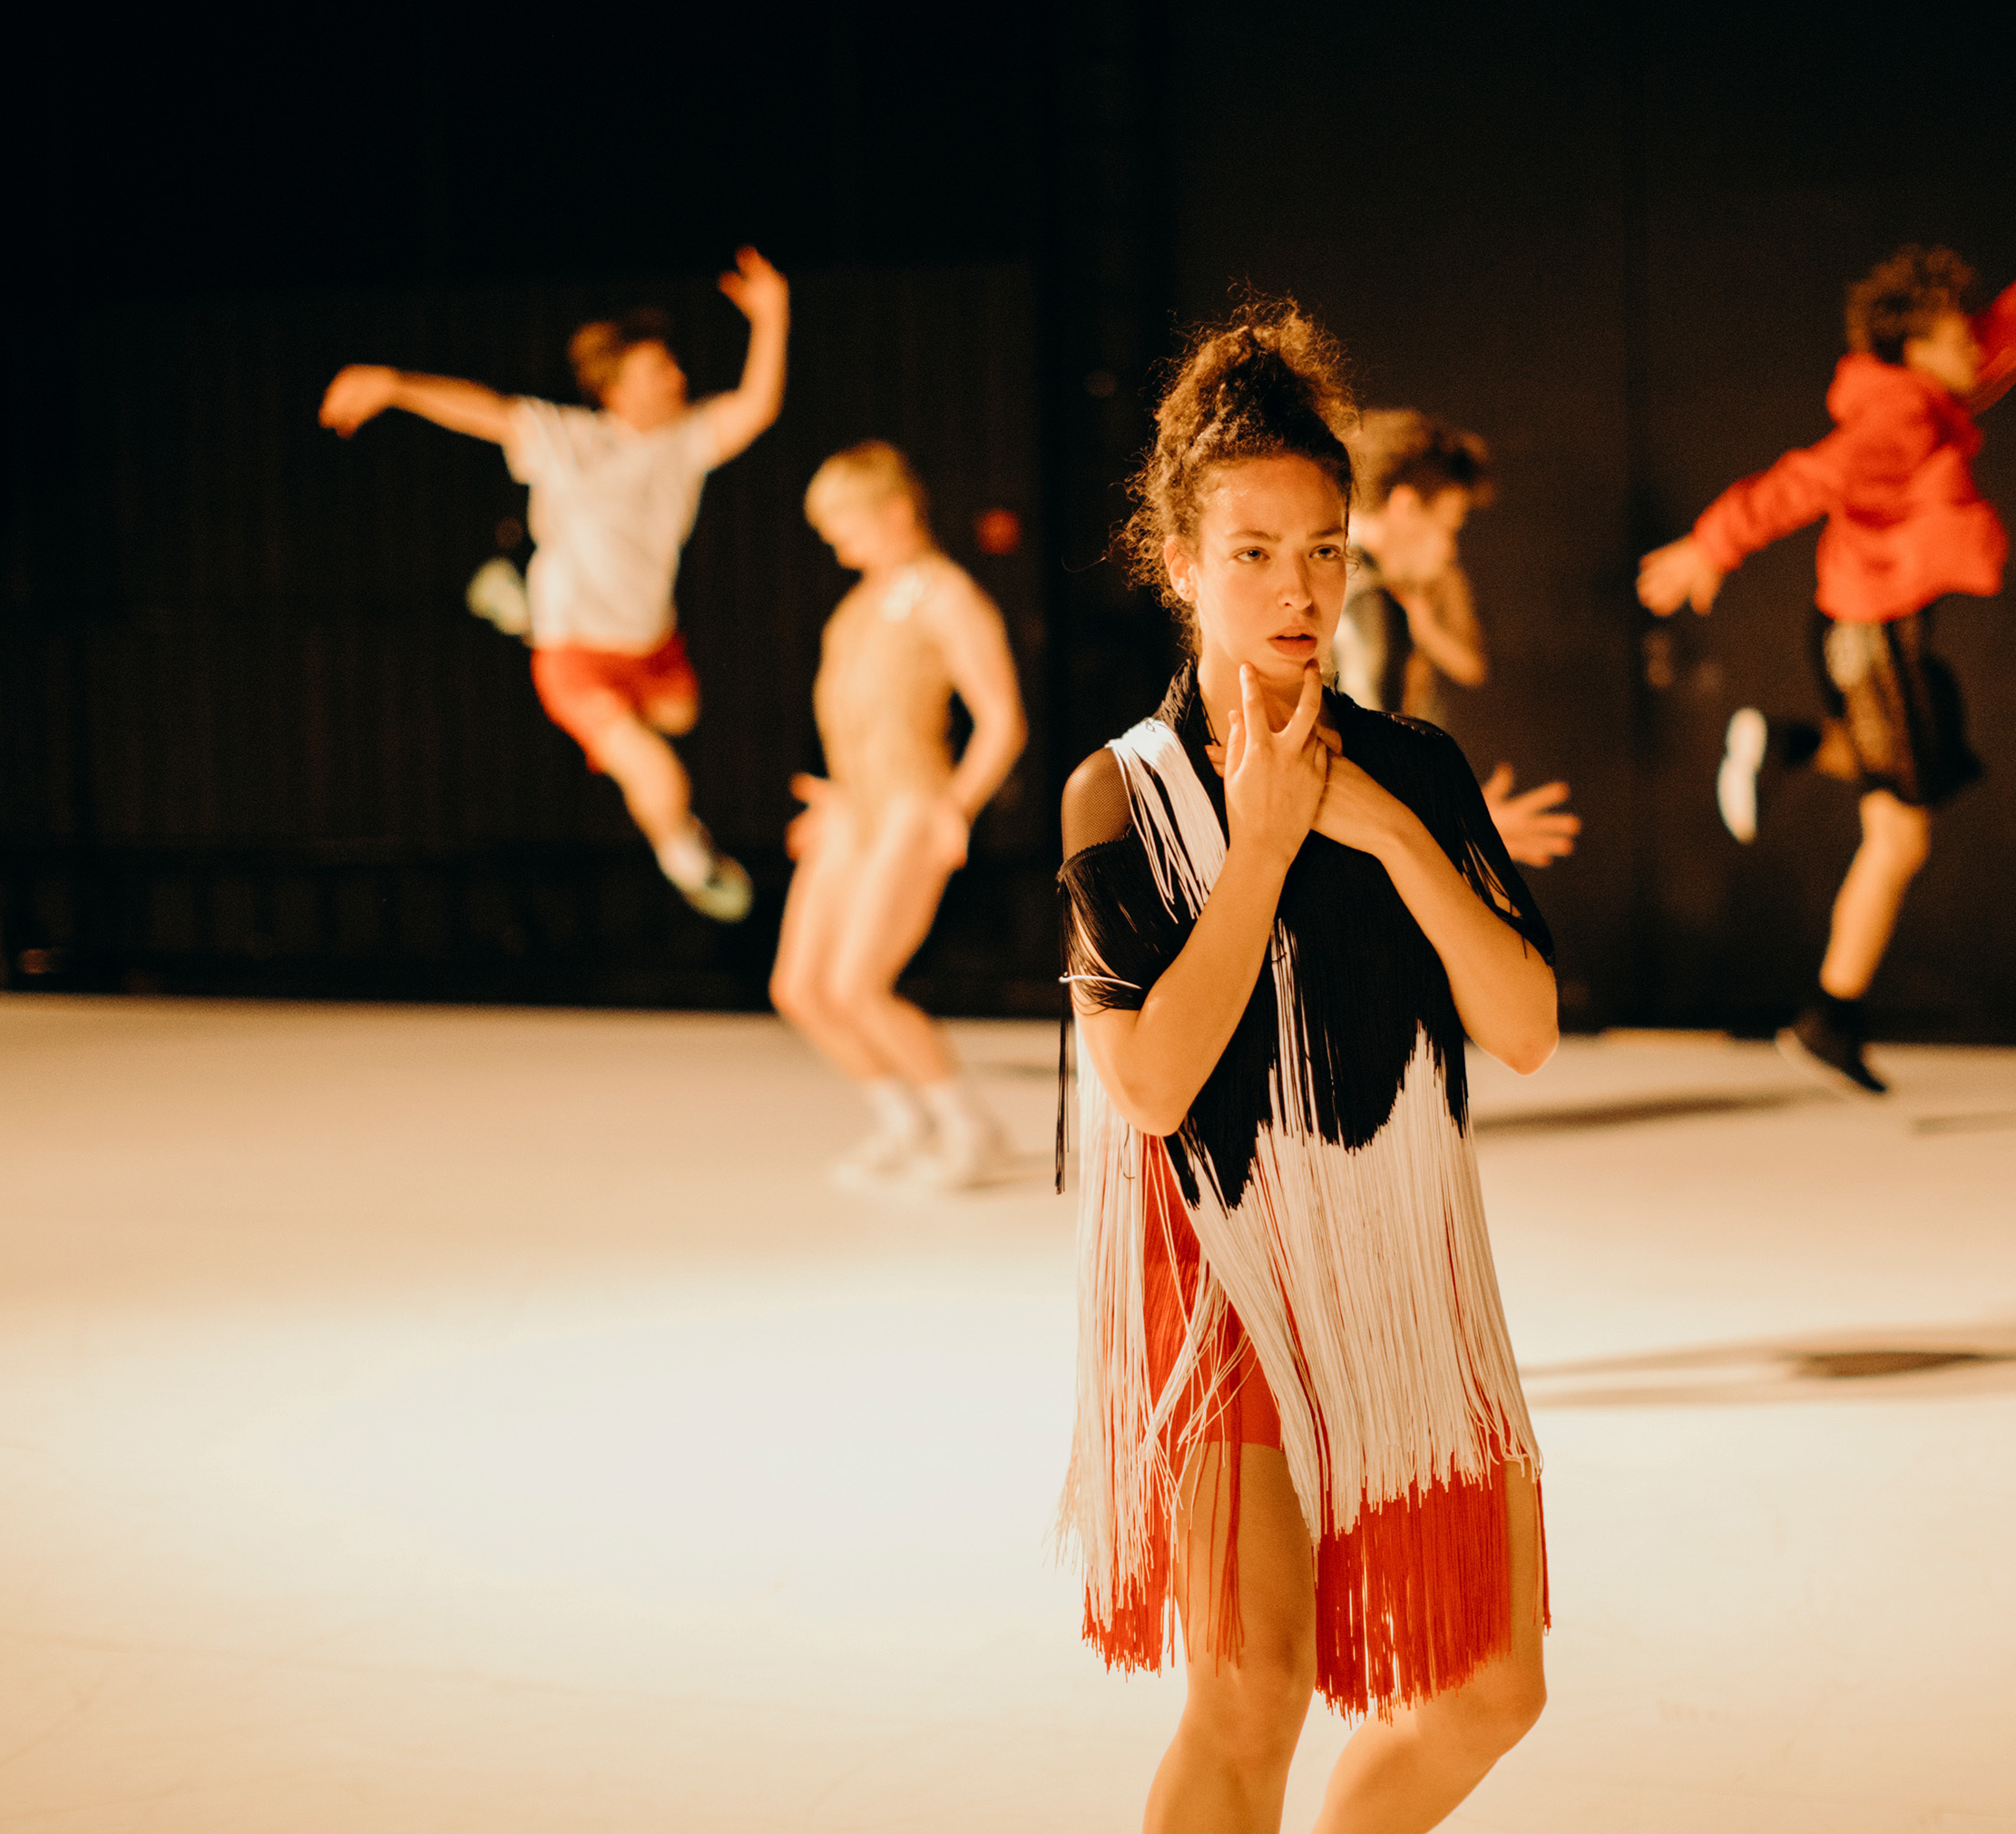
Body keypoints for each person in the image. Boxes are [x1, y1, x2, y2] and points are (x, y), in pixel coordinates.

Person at [1058, 302, 1556, 1833]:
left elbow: (1524, 1023)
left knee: (1493, 1687)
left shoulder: (1414, 766)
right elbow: (1150, 1087)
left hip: (1401, 1252)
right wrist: (1263, 848)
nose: (1299, 589)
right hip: (1214, 1262)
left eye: (1325, 550)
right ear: (1180, 563)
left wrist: (1390, 836)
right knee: (1250, 1691)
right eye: (1256, 552)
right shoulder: (1120, 792)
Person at [1638, 180, 2016, 1093]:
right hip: (1873, 636)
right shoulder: (1897, 419)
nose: (1975, 345)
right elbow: (1803, 480)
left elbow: (2013, 331)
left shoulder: (1929, 394)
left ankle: (1791, 759)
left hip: (1869, 628)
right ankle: (1828, 1010)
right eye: (1957, 336)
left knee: (1900, 818)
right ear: (1916, 349)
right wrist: (1711, 544)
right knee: (1899, 836)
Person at [318, 248, 791, 920]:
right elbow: (486, 412)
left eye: (674, 365)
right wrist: (396, 385)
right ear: (616, 390)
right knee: (655, 770)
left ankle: (525, 612)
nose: (678, 377)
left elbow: (756, 407)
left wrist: (772, 317)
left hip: (650, 641)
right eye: (659, 371)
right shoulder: (571, 440)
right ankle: (688, 862)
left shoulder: (685, 442)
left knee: (681, 715)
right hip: (576, 659)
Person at [772, 443, 1028, 1192]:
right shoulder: (858, 606)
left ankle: (968, 1126)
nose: (837, 543)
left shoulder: (947, 596)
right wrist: (838, 797)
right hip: (854, 808)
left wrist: (956, 805)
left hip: (912, 804)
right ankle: (903, 1120)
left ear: (894, 511)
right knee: (800, 987)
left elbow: (1001, 720)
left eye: (845, 524)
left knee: (859, 983)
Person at [1338, 410, 1580, 870]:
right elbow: (1369, 774)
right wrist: (1462, 823)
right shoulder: (1368, 601)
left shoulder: (1346, 582)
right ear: (1406, 507)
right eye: (1449, 526)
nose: (1449, 549)